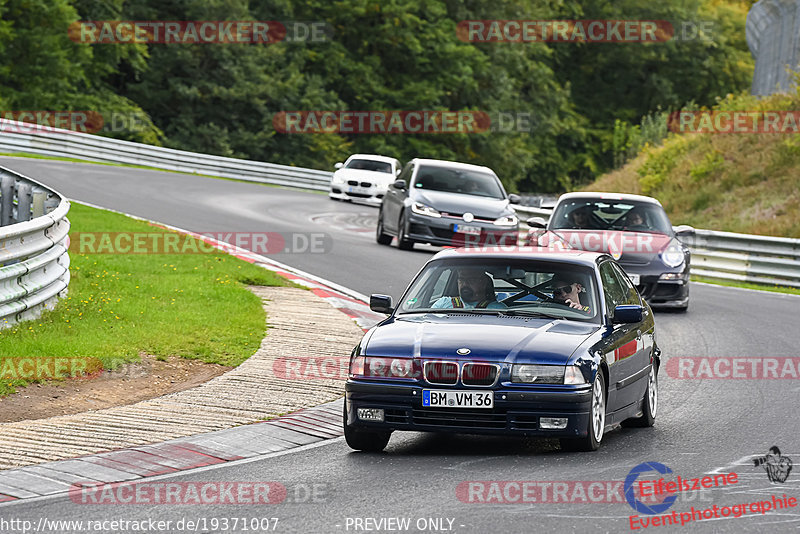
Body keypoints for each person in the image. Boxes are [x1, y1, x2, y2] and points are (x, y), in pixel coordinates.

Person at [431, 268, 506, 309]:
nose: (465, 284)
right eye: (461, 279)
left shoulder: (498, 309)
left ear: (483, 283)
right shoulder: (442, 303)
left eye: (471, 280)